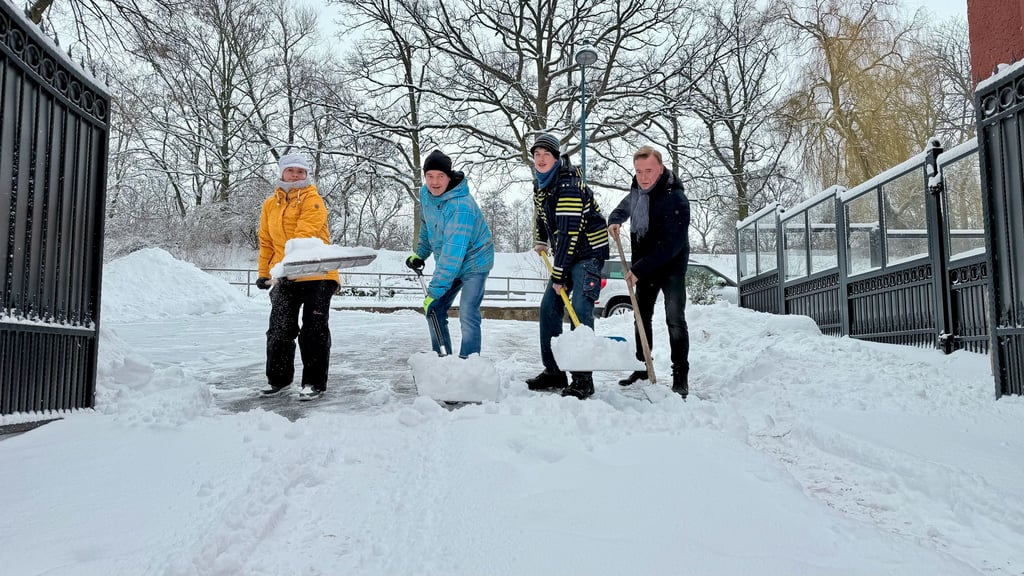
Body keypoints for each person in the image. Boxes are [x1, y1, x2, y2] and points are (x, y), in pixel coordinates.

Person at [524, 132, 610, 399]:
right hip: (566, 251)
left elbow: (569, 233)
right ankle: (554, 371)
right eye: (536, 155)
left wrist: (559, 274)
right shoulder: (542, 183)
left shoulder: (569, 185)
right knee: (549, 307)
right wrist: (541, 238)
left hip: (587, 254)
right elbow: (542, 214)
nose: (540, 159)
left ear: (556, 157)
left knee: (581, 310)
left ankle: (583, 378)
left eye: (545, 155)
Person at [607, 145, 691, 398]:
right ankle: (643, 367)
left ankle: (680, 374)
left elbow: (671, 245)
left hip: (671, 265)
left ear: (661, 168)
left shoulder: (676, 198)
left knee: (674, 319)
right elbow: (625, 205)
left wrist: (638, 269)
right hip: (645, 265)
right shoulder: (638, 192)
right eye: (639, 171)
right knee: (641, 316)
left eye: (649, 171)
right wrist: (615, 219)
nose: (643, 177)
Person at [255, 153, 340, 400]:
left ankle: (314, 383)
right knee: (279, 329)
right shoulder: (270, 204)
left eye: (300, 171)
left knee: (314, 330)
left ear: (306, 175)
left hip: (318, 273)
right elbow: (266, 241)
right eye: (290, 170)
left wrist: (284, 266)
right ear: (282, 173)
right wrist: (264, 273)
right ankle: (278, 380)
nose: (295, 175)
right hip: (285, 276)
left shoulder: (313, 200)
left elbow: (304, 235)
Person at [405, 150, 495, 358]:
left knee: (467, 312)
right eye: (430, 176)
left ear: (449, 177)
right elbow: (428, 228)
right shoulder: (426, 196)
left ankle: (468, 365)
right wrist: (421, 253)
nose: (435, 182)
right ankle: (441, 361)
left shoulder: (460, 206)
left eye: (440, 177)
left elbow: (452, 254)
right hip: (453, 261)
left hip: (475, 261)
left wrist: (434, 292)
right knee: (434, 310)